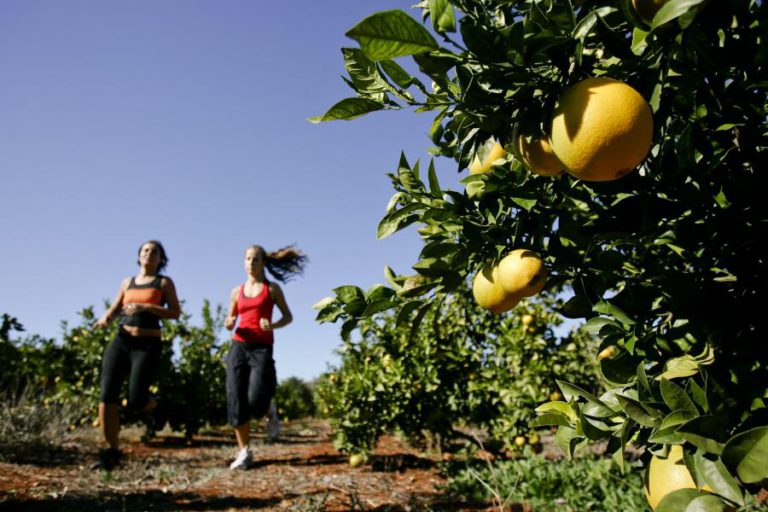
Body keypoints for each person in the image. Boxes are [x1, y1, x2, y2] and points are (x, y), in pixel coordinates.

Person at [92, 240, 181, 470]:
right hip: (122, 341)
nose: (149, 254)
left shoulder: (164, 282)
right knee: (107, 395)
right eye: (145, 250)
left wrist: (147, 308)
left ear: (161, 259)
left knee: (136, 399)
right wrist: (105, 319)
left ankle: (157, 408)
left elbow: (174, 312)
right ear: (139, 256)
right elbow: (114, 308)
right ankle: (111, 451)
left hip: (147, 344)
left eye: (154, 252)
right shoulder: (127, 282)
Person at [224, 245, 306, 470]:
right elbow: (230, 318)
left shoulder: (272, 289)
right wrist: (229, 322)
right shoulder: (236, 291)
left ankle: (268, 409)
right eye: (248, 259)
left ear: (263, 263)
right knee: (235, 396)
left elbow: (288, 316)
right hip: (238, 345)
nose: (251, 263)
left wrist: (273, 324)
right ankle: (244, 451)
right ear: (244, 262)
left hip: (262, 348)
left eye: (256, 259)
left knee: (255, 400)